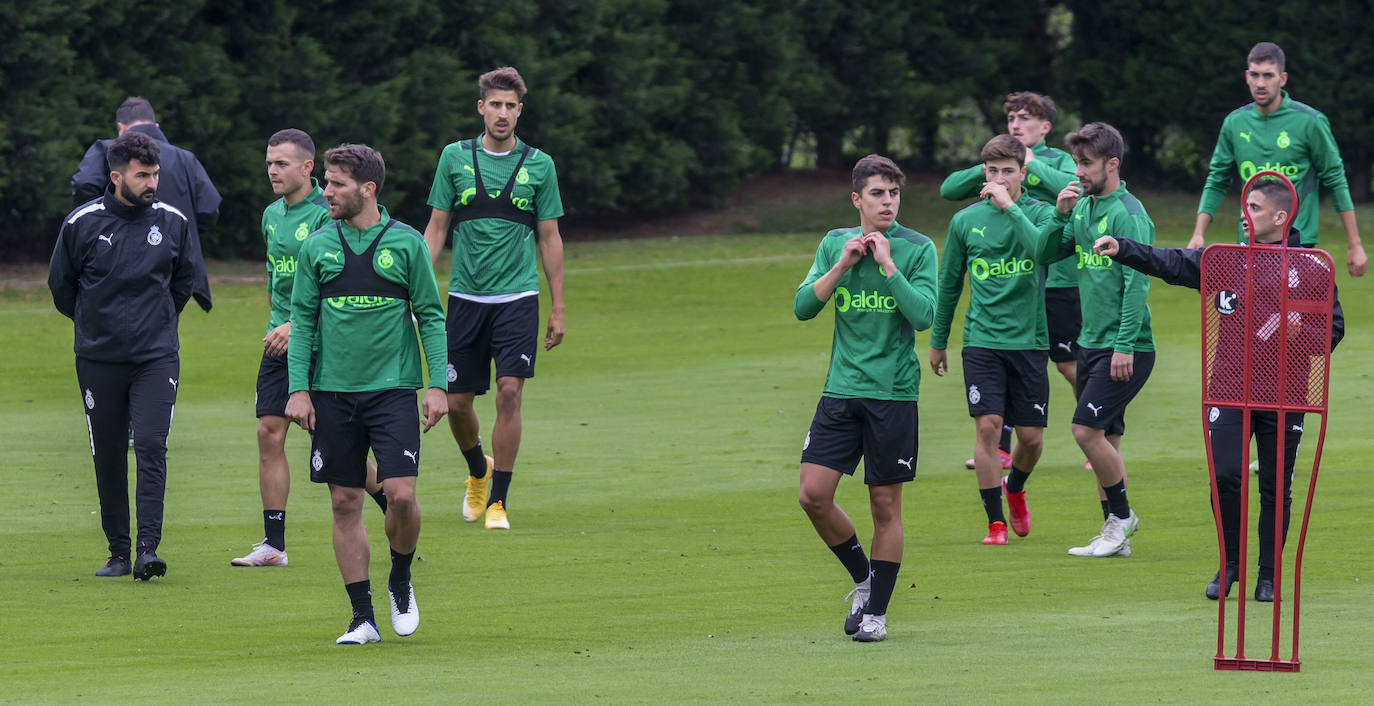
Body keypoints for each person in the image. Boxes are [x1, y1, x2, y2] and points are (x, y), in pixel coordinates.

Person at [1094, 178, 1344, 601]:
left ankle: (1268, 575)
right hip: (1228, 389)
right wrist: (1124, 248)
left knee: (1274, 487)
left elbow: (1332, 330)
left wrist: (1299, 333)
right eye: (1245, 205)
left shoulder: (1313, 266)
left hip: (1285, 393)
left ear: (1281, 218)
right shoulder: (1226, 259)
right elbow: (1172, 263)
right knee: (1226, 475)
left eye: (1256, 208)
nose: (1245, 215)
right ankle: (1230, 564)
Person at [284, 144, 448, 644]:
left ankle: (400, 576)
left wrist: (438, 384)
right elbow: (304, 323)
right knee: (344, 502)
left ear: (367, 189)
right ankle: (362, 617)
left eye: (335, 184)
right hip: (332, 395)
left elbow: (432, 317)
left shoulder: (406, 244)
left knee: (400, 494)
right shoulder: (316, 246)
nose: (325, 191)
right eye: (326, 182)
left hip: (393, 391)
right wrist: (298, 390)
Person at [794, 155, 938, 642]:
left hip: (893, 394)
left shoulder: (917, 249)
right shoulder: (836, 242)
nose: (888, 202)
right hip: (840, 391)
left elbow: (924, 318)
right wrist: (843, 265)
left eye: (894, 193)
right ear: (857, 199)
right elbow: (802, 308)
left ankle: (875, 615)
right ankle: (863, 581)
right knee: (812, 496)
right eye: (878, 194)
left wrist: (888, 266)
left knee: (884, 506)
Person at [233, 129, 387, 568]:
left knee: (333, 442)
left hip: (322, 342)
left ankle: (393, 507)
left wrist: (294, 326)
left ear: (307, 168)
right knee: (269, 432)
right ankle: (273, 544)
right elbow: (275, 280)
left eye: (281, 164)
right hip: (279, 342)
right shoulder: (270, 215)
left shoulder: (329, 214)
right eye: (268, 163)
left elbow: (336, 286)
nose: (271, 171)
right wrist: (278, 323)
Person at [421, 66, 566, 530]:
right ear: (481, 108)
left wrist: (558, 307)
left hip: (518, 299)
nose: (502, 114)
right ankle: (477, 471)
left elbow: (550, 237)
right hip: (465, 299)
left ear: (520, 111)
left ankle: (499, 501)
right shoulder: (453, 158)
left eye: (511, 106)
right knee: (458, 404)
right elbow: (437, 228)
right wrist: (415, 286)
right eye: (495, 105)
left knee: (509, 392)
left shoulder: (540, 164)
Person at [48, 131, 196, 581]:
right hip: (98, 359)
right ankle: (118, 551)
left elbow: (182, 283)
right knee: (108, 452)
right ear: (116, 177)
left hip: (155, 357)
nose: (152, 182)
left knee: (151, 446)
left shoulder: (172, 222)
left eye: (155, 174)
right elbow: (61, 287)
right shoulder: (82, 223)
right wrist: (96, 326)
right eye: (142, 175)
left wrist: (155, 325)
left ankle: (148, 550)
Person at [940, 92, 1083, 470]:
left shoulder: (1057, 160)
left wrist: (1030, 165)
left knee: (1068, 365)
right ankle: (998, 447)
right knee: (998, 359)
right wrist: (994, 166)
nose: (1016, 125)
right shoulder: (999, 164)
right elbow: (949, 189)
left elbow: (1074, 191)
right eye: (1012, 119)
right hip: (1009, 281)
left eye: (1025, 119)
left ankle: (1099, 428)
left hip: (1056, 280)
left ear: (1046, 127)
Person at [931, 135, 1057, 545]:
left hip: (1030, 342)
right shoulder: (965, 221)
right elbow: (949, 284)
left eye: (1008, 170)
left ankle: (1015, 486)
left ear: (1024, 173)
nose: (999, 178)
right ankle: (995, 523)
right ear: (983, 173)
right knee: (988, 427)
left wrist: (1010, 207)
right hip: (982, 340)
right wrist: (937, 341)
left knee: (1031, 440)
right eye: (992, 171)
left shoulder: (1041, 215)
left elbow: (1043, 251)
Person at [1036, 122, 1155, 558]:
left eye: (1086, 164)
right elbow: (1045, 255)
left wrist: (1124, 344)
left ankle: (1122, 518)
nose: (1078, 171)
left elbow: (1137, 284)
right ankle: (1115, 535)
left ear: (1112, 164)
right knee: (1107, 439)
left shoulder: (1128, 213)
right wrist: (1060, 213)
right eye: (1076, 162)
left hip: (1126, 347)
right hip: (1091, 341)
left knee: (1085, 431)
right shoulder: (1083, 208)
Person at [1187, 41, 1366, 278]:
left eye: (1268, 76)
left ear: (1282, 79)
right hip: (1249, 244)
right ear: (1247, 77)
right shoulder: (1234, 123)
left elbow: (1336, 180)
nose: (1261, 83)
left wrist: (1354, 244)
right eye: (1255, 75)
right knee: (1250, 315)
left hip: (1297, 245)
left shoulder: (1310, 122)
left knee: (1295, 316)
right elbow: (1217, 179)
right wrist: (1198, 232)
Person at [71, 96, 220, 311]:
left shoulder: (105, 150)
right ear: (156, 126)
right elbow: (209, 210)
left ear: (121, 128)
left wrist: (100, 222)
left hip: (116, 260)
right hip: (172, 263)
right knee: (161, 327)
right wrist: (181, 234)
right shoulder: (186, 159)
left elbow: (84, 184)